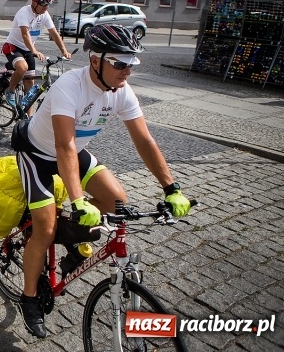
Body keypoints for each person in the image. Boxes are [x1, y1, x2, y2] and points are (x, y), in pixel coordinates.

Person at [12, 24, 193, 339]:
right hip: (37, 154)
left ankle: (71, 240)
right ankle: (29, 298)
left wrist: (171, 187)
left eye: (131, 65)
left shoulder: (120, 90)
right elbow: (63, 146)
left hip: (73, 152)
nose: (127, 71)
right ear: (96, 61)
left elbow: (144, 140)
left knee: (116, 202)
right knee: (45, 225)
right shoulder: (70, 86)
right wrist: (78, 199)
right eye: (120, 63)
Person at [3, 0, 72, 112]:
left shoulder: (44, 15)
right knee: (22, 67)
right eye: (44, 5)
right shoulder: (23, 12)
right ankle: (10, 90)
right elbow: (25, 34)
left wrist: (64, 51)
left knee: (29, 83)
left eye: (47, 5)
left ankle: (27, 119)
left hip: (28, 49)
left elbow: (54, 33)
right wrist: (34, 50)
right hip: (13, 46)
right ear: (34, 3)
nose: (46, 8)